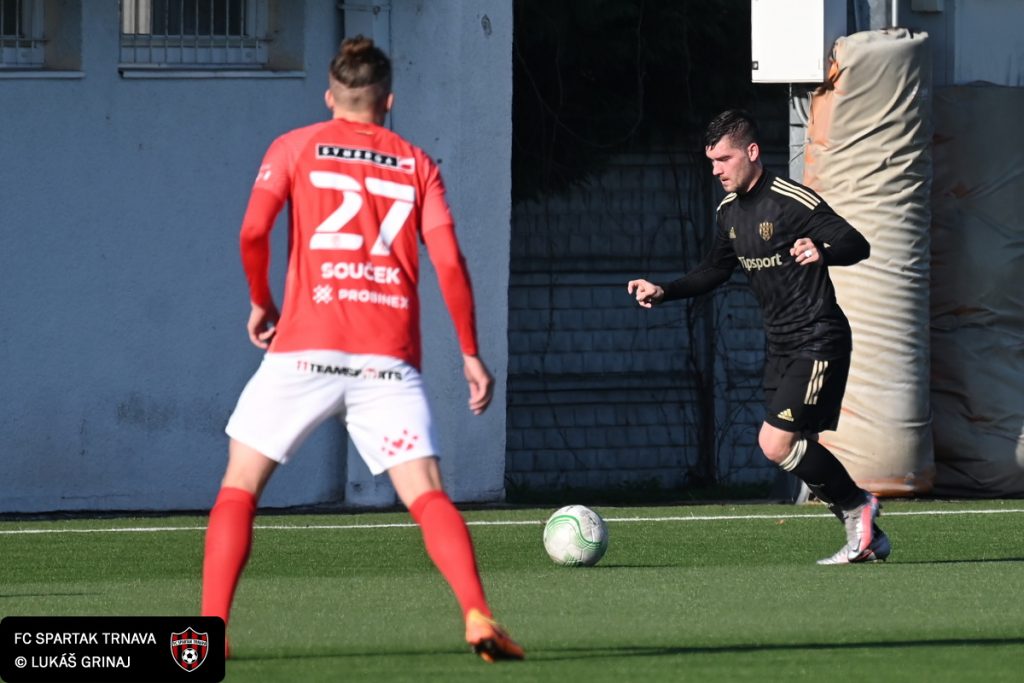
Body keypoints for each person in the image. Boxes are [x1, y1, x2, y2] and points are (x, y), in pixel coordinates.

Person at [200, 36, 524, 662]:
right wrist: (469, 351)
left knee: (239, 487)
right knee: (426, 493)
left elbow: (253, 230)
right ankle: (476, 613)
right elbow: (449, 262)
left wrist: (262, 300)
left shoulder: (294, 146)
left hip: (302, 351)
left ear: (330, 97)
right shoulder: (417, 163)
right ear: (389, 101)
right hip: (386, 362)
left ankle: (209, 635)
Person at [627, 109, 890, 565]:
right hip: (781, 346)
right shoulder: (728, 213)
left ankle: (858, 507)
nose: (716, 170)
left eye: (724, 159)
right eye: (711, 162)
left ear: (751, 152)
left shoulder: (790, 200)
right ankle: (867, 534)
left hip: (817, 338)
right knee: (791, 448)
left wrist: (822, 250)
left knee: (775, 443)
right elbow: (715, 270)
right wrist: (665, 290)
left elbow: (856, 244)